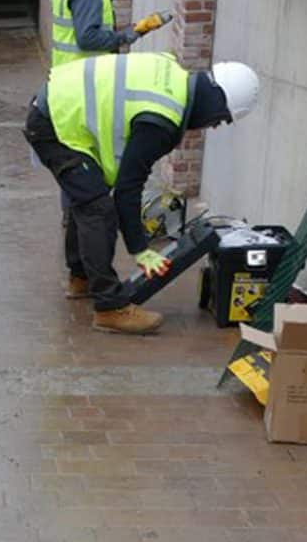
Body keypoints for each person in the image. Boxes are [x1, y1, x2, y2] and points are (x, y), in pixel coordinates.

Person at [23, 51, 261, 335]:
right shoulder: (162, 119)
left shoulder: (172, 71)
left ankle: (82, 277)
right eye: (219, 119)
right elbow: (128, 189)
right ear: (215, 102)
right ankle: (110, 308)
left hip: (55, 107)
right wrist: (140, 249)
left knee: (88, 197)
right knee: (98, 208)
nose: (212, 126)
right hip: (55, 124)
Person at [50, 0, 147, 301]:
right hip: (85, 98)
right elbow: (90, 38)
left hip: (69, 92)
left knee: (78, 190)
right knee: (92, 197)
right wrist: (128, 34)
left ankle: (80, 272)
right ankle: (93, 280)